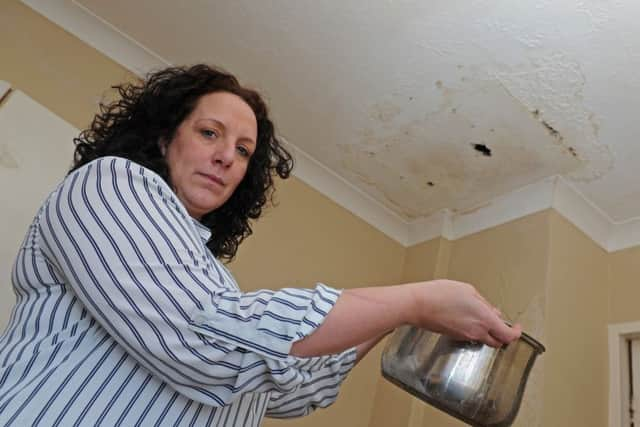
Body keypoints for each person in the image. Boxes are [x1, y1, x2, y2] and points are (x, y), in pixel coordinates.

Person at [0, 64, 521, 426]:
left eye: (244, 150)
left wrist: (401, 315)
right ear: (164, 138)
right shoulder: (109, 184)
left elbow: (291, 388)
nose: (228, 156)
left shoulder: (210, 279)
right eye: (210, 133)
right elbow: (203, 342)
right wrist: (415, 299)